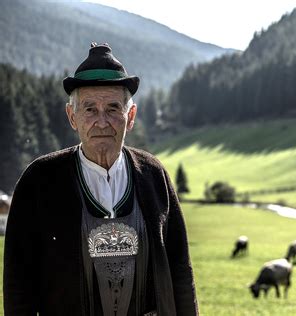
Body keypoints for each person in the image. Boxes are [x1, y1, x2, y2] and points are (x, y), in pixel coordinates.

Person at [3, 43, 199, 316]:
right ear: (72, 117)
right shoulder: (38, 182)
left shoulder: (154, 176)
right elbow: (18, 286)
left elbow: (181, 273)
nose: (102, 121)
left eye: (112, 108)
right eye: (90, 109)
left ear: (130, 117)